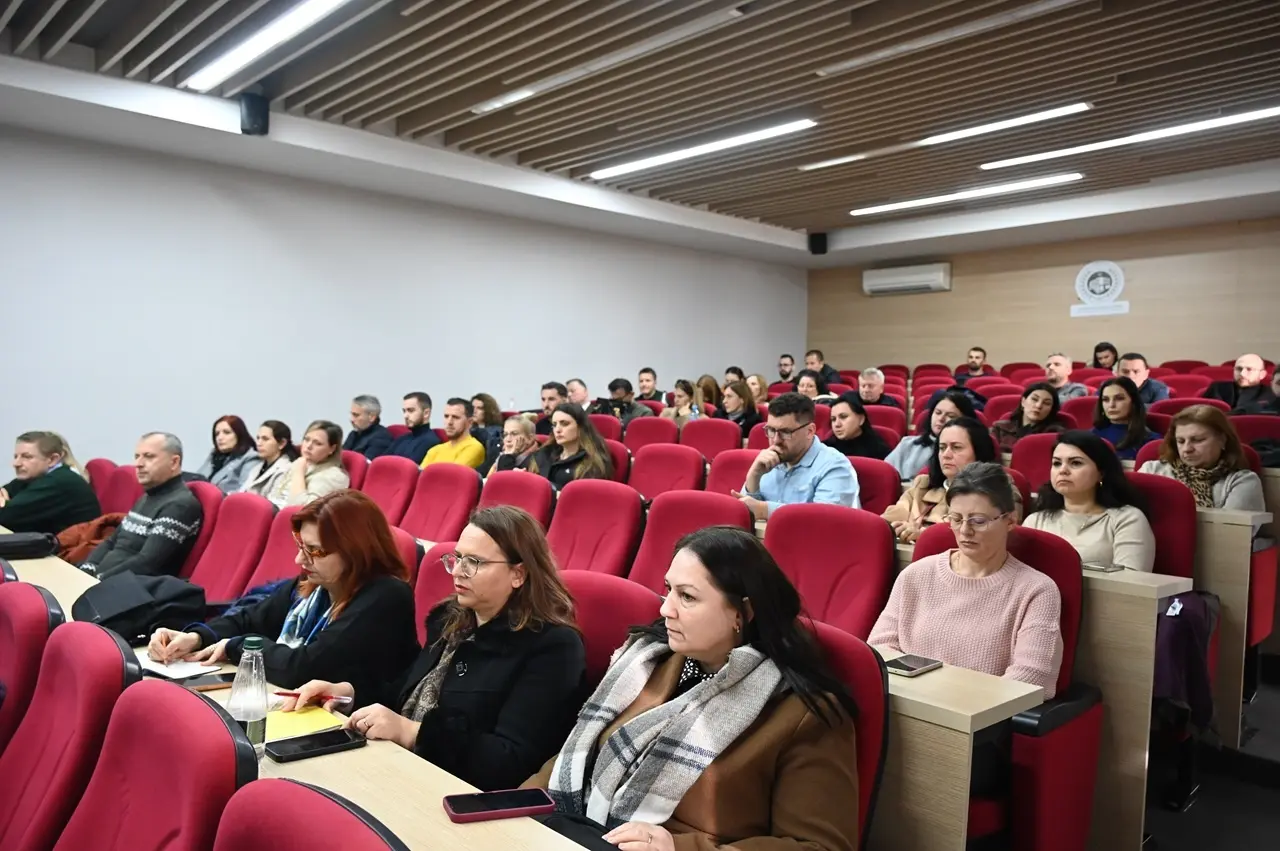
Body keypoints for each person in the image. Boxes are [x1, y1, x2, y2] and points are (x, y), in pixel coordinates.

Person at [523, 526, 859, 851]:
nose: (665, 609)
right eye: (668, 589)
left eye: (687, 597)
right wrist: (516, 808)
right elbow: (580, 756)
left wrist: (679, 848)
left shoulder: (804, 714)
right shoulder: (646, 661)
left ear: (742, 612)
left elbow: (819, 847)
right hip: (576, 835)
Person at [284, 506, 587, 792]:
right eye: (458, 558)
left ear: (518, 574)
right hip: (395, 767)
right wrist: (345, 694)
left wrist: (412, 733)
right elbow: (403, 694)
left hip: (456, 796)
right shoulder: (451, 619)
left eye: (475, 562)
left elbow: (509, 761)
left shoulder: (552, 647)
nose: (457, 572)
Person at [146, 489, 418, 698]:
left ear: (356, 551)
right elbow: (249, 619)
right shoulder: (316, 583)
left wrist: (238, 646)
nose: (300, 560)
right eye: (301, 547)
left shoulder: (386, 596)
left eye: (315, 551)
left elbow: (302, 668)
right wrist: (195, 637)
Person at [870, 462, 1063, 696]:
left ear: (1010, 521)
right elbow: (879, 650)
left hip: (984, 712)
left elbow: (1032, 677)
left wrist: (953, 697)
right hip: (906, 702)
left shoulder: (1036, 590)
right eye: (955, 519)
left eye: (978, 521)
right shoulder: (916, 575)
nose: (964, 531)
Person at [1024, 432, 1155, 572]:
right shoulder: (1035, 521)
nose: (1062, 470)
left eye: (1075, 463)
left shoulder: (1128, 519)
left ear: (1101, 473)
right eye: (1056, 463)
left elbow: (1131, 580)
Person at [79, 433, 202, 579]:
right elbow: (111, 542)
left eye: (149, 456)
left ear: (174, 462)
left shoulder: (181, 505)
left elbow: (147, 563)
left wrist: (97, 580)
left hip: (131, 586)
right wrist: (87, 569)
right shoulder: (147, 496)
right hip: (103, 580)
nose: (138, 463)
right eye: (137, 456)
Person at [882, 417, 1017, 543]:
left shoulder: (1002, 489)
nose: (946, 455)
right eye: (942, 448)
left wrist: (925, 535)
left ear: (979, 451)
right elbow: (886, 521)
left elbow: (994, 537)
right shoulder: (922, 486)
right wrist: (896, 527)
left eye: (956, 447)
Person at [732, 393, 859, 520]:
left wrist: (764, 510)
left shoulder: (835, 466)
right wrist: (754, 477)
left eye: (785, 432)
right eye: (771, 430)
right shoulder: (768, 460)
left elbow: (823, 520)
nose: (776, 440)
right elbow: (747, 513)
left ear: (809, 431)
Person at [1138, 406, 1265, 512]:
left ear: (1222, 440)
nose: (1187, 449)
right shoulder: (1151, 470)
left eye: (1197, 440)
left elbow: (1232, 531)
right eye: (1180, 441)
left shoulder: (1242, 481)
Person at [0, 431, 100, 535]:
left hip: (72, 545)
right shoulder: (36, 476)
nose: (16, 463)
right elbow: (4, 492)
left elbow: (6, 516)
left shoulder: (60, 481)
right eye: (16, 457)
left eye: (27, 457)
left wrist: (6, 506)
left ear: (52, 459)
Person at [884, 391, 976, 479]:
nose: (941, 419)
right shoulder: (907, 444)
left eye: (950, 416)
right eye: (938, 413)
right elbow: (886, 476)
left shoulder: (970, 450)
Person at [528, 404, 613, 489]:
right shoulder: (546, 452)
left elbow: (585, 493)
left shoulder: (592, 462)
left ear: (580, 427)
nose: (557, 430)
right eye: (554, 425)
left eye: (565, 424)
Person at [271, 420, 349, 507]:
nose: (308, 446)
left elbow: (303, 509)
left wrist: (299, 473)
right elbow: (274, 496)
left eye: (318, 443)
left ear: (332, 449)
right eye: (306, 439)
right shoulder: (300, 462)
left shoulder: (335, 476)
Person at [1091, 377, 1160, 461]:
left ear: (1133, 402)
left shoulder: (1151, 441)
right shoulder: (1092, 435)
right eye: (1105, 400)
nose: (1111, 405)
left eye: (1119, 398)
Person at [990, 382, 1070, 452]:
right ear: (1023, 402)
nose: (1038, 406)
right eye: (1034, 399)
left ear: (1051, 409)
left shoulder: (1055, 433)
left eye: (1046, 403)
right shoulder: (999, 428)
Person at [195, 415, 259, 494]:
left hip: (227, 500)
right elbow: (196, 480)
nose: (220, 438)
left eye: (226, 432)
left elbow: (244, 491)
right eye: (217, 434)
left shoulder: (250, 457)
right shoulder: (214, 455)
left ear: (239, 435)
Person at [239, 420, 300, 499]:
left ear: (282, 443)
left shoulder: (287, 470)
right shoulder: (257, 468)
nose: (258, 443)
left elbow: (275, 503)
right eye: (258, 438)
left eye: (265, 439)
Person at [422, 399, 486, 469]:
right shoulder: (434, 450)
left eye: (456, 417)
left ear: (470, 422)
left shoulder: (474, 447)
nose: (449, 422)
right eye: (446, 416)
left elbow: (453, 473)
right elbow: (421, 474)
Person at [823, 393, 890, 460]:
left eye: (843, 417)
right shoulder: (825, 448)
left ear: (861, 419)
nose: (837, 424)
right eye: (833, 419)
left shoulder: (879, 450)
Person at [1204, 353, 1276, 413]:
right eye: (1239, 369)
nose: (1242, 374)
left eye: (1249, 369)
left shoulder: (1271, 393)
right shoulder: (1217, 388)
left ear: (1262, 374)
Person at [387, 392, 441, 464]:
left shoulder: (430, 441)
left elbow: (409, 467)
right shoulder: (402, 438)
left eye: (411, 410)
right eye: (404, 411)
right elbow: (380, 461)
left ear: (426, 413)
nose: (405, 416)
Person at [589, 379, 655, 427]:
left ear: (631, 395)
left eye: (618, 399)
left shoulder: (645, 413)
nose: (615, 403)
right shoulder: (609, 407)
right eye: (612, 399)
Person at [344, 395, 393, 460]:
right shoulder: (354, 433)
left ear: (372, 417)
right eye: (351, 414)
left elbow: (366, 465)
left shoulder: (381, 438)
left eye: (356, 415)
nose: (351, 419)